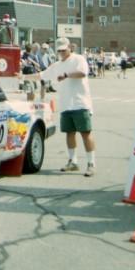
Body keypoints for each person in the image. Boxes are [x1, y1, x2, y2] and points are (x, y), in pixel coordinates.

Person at [43, 37, 96, 176]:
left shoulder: (79, 59)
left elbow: (83, 73)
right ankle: (73, 162)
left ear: (70, 48)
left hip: (80, 103)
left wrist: (66, 75)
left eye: (63, 50)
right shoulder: (57, 65)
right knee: (69, 133)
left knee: (86, 133)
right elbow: (42, 75)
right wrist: (23, 77)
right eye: (59, 51)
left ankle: (91, 163)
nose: (61, 53)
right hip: (66, 104)